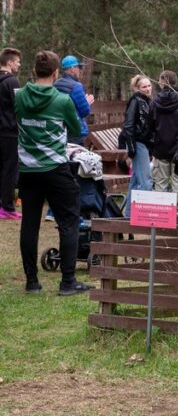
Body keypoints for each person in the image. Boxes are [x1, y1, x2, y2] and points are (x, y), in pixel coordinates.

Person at [17, 50, 91, 295]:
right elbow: (73, 126)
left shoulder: (17, 97)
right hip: (56, 168)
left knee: (29, 223)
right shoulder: (61, 100)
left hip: (27, 169)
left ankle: (32, 282)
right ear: (56, 72)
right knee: (69, 221)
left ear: (33, 71)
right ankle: (68, 282)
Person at [151, 70, 178, 214]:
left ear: (162, 82)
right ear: (175, 81)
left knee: (160, 183)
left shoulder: (154, 103)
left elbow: (149, 125)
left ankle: (161, 215)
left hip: (160, 148)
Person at [122, 75, 155, 211]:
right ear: (137, 88)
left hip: (144, 143)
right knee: (146, 181)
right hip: (138, 143)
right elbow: (128, 125)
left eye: (149, 86)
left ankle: (128, 213)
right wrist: (131, 147)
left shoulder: (147, 101)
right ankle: (146, 213)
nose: (148, 89)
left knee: (135, 180)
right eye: (144, 87)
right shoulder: (135, 101)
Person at [0, 48, 21, 220]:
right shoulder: (12, 82)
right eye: (17, 61)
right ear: (9, 62)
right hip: (9, 132)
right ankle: (7, 207)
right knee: (9, 170)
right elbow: (19, 106)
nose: (19, 64)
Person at [54, 55, 93, 145]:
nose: (80, 70)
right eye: (79, 67)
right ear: (72, 69)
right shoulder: (76, 86)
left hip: (59, 130)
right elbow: (84, 111)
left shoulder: (55, 84)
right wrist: (87, 103)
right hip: (75, 131)